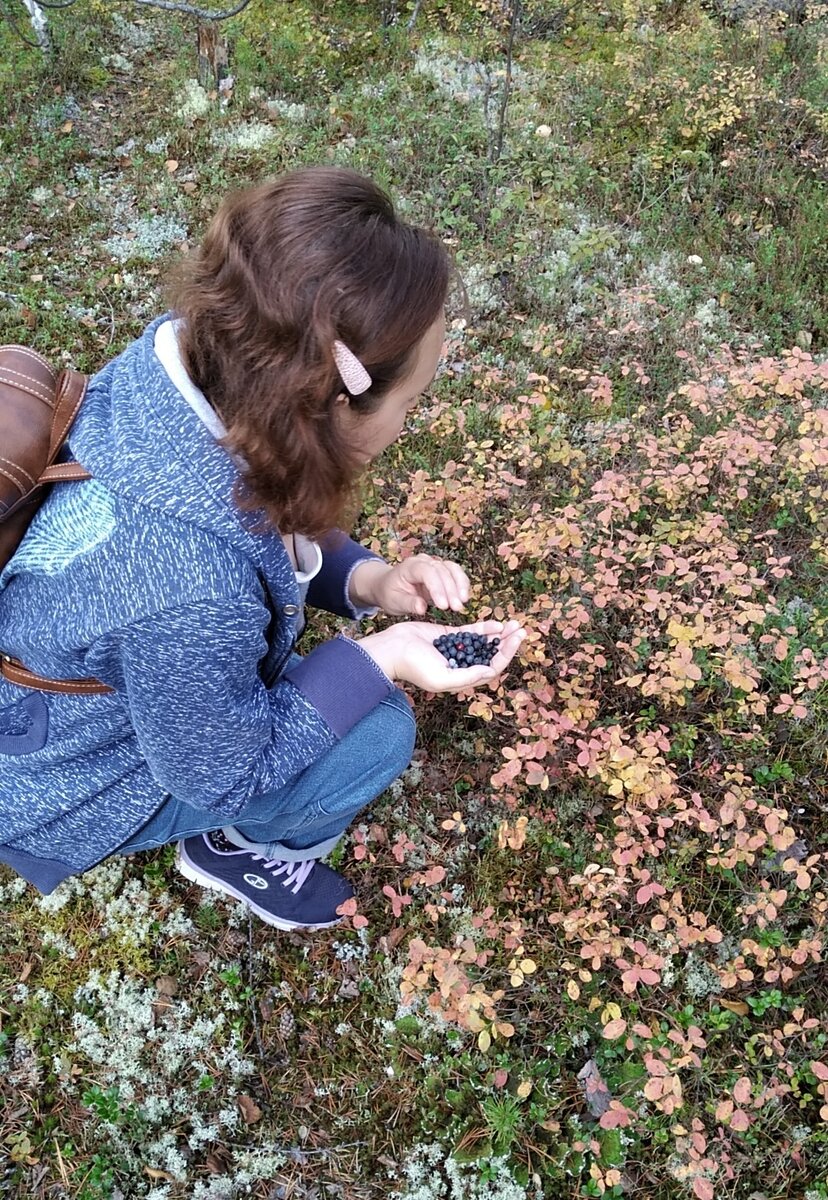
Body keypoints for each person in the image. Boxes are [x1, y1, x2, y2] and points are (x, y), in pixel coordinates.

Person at [0, 167, 524, 929]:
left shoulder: (192, 365)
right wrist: (380, 657)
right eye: (411, 402)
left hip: (67, 705)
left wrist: (371, 581)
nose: (409, 422)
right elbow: (226, 773)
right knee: (378, 732)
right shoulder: (188, 589)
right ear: (329, 406)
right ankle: (236, 850)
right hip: (59, 785)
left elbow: (257, 518)